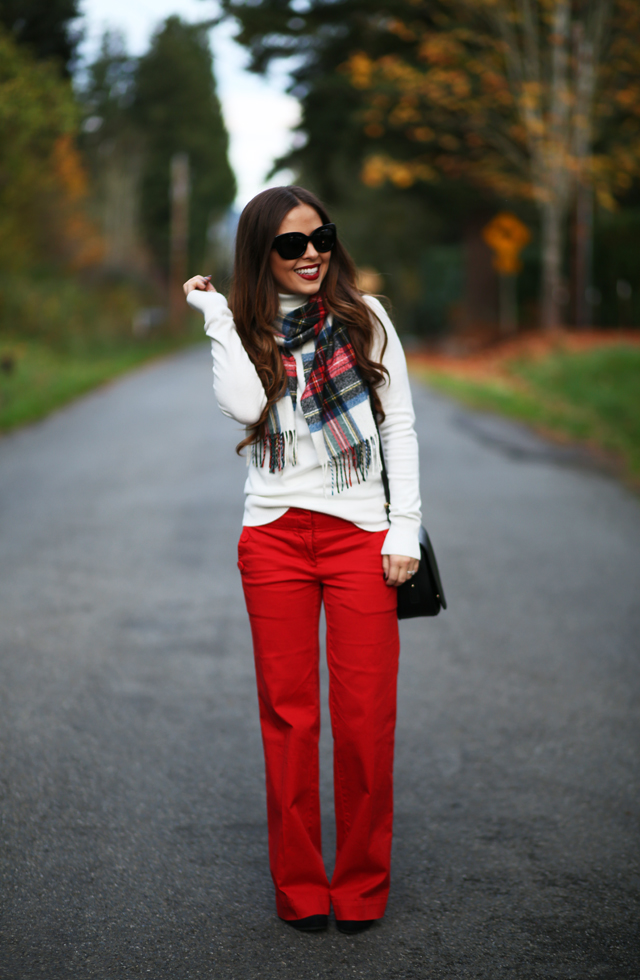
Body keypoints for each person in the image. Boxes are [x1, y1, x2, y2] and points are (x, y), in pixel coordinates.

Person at [183, 186, 421, 935]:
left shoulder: (365, 318)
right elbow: (248, 411)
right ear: (263, 254)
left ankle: (359, 888)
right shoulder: (248, 330)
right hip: (275, 538)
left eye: (320, 237)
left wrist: (404, 530)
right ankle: (300, 890)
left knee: (363, 722)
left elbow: (401, 428)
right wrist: (218, 317)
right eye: (291, 245)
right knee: (288, 720)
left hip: (360, 536)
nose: (311, 252)